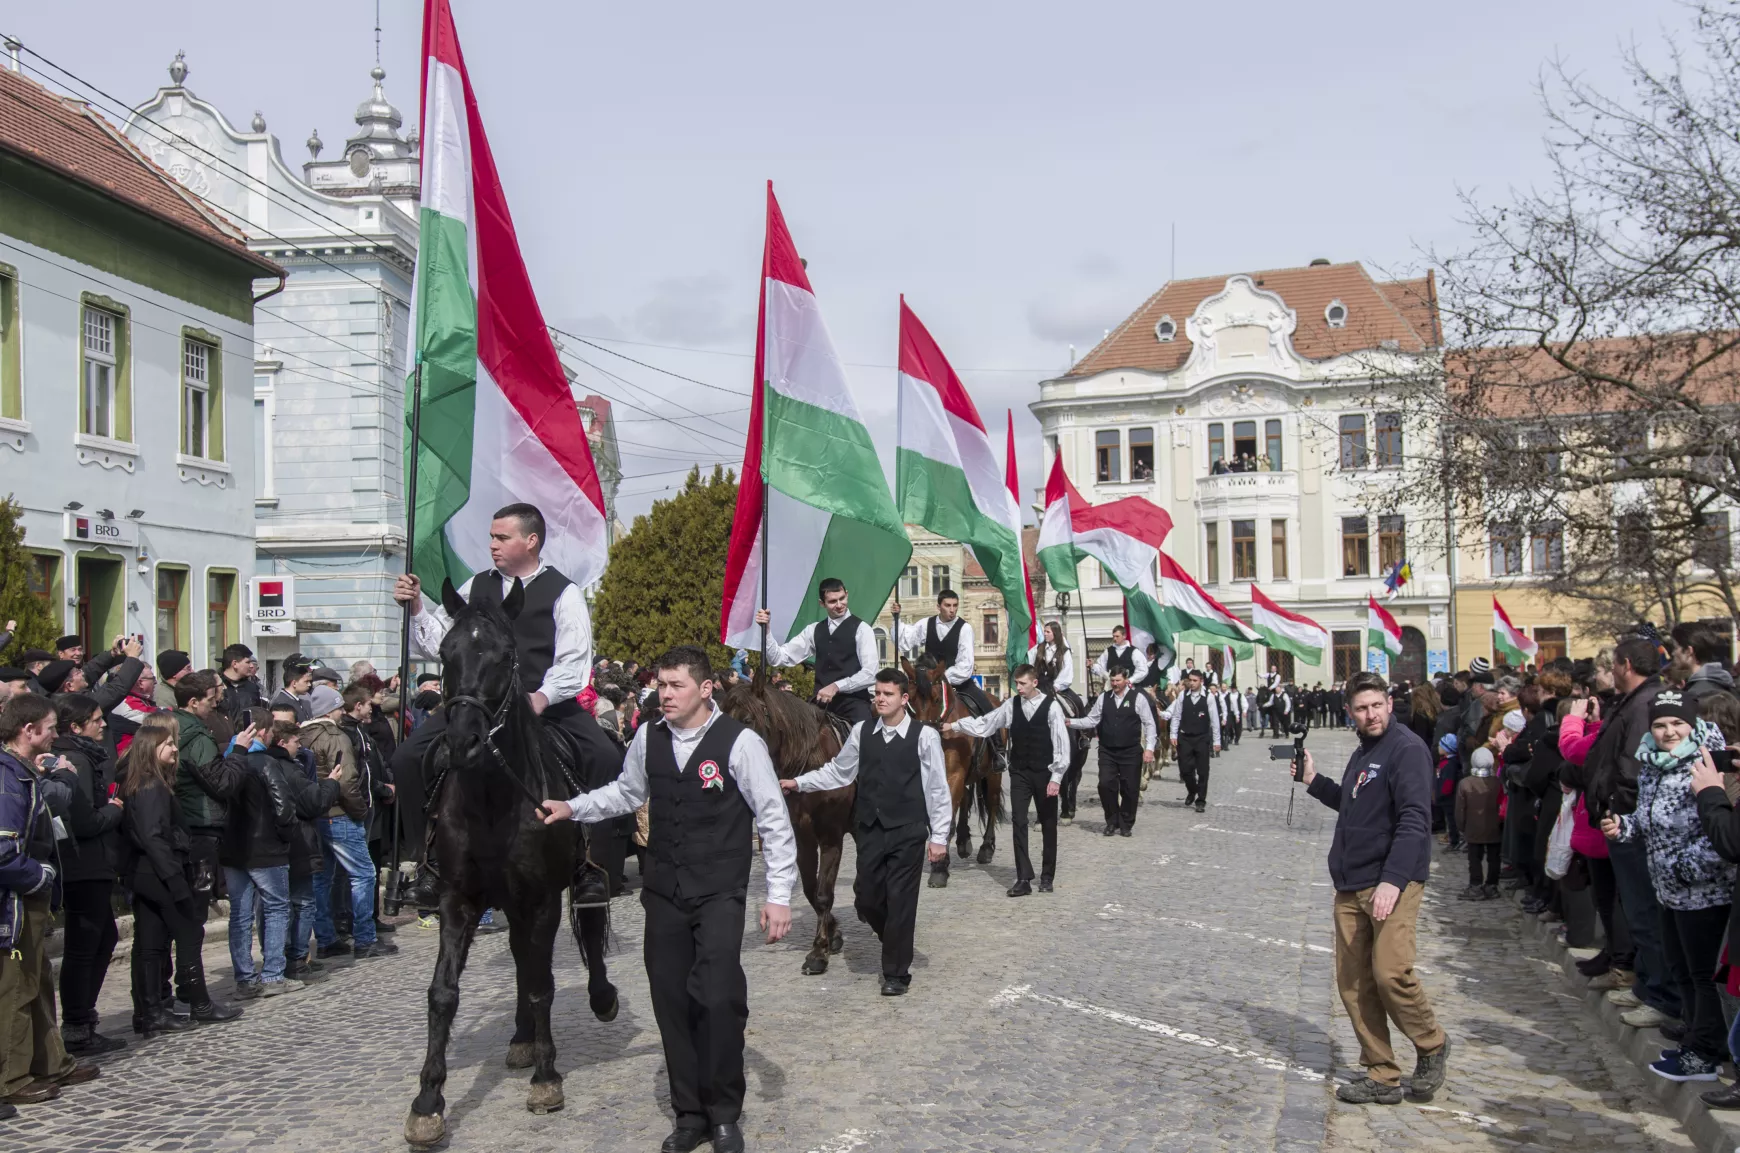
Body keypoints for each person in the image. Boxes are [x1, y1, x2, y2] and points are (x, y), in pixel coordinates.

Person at [539, 646, 794, 1153]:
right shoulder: (648, 738)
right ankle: (689, 1115)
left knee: (719, 998)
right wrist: (573, 806)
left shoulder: (740, 743)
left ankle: (724, 1112)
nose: (665, 694)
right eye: (661, 684)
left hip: (720, 890)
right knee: (671, 1001)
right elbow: (624, 793)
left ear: (705, 689)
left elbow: (773, 819)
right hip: (664, 892)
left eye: (676, 685)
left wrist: (780, 895)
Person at [392, 504, 619, 908]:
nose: (492, 544)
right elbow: (435, 643)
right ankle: (424, 863)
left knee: (602, 756)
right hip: (475, 702)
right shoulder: (475, 586)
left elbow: (575, 661)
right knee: (409, 757)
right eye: (492, 537)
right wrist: (415, 609)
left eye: (502, 537)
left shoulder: (563, 592)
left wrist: (541, 697)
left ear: (530, 541)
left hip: (543, 701)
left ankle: (590, 866)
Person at [1294, 671, 1449, 1106]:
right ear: (1350, 713)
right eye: (1362, 709)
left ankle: (1432, 1043)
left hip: (1391, 882)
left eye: (1376, 705)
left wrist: (1392, 881)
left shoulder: (1407, 750)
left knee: (1389, 972)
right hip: (1351, 881)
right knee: (1355, 983)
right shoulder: (1365, 751)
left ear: (1388, 703)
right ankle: (1381, 1072)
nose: (1371, 714)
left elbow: (1415, 820)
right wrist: (1313, 780)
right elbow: (1355, 802)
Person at [783, 668, 951, 993]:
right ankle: (896, 938)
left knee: (901, 901)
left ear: (904, 699)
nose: (880, 699)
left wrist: (939, 838)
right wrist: (800, 782)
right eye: (877, 693)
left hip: (908, 831)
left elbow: (938, 790)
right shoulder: (862, 732)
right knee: (868, 900)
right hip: (871, 829)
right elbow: (838, 772)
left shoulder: (924, 736)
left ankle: (896, 974)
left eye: (887, 694)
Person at [1602, 689, 1734, 1082]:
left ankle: (1707, 1053)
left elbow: (1719, 835)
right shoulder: (1653, 764)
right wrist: (1623, 826)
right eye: (1661, 724)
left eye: (1677, 723)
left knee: (1701, 976)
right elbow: (1648, 820)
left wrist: (1680, 867)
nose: (1669, 731)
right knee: (1680, 971)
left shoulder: (1708, 765)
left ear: (1692, 726)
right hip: (1668, 890)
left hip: (1705, 893)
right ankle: (1693, 1040)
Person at [0, 694, 102, 1110]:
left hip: (30, 897)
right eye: (51, 727)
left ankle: (50, 1062)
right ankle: (11, 1076)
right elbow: (3, 850)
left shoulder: (22, 772)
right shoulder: (7, 778)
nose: (56, 734)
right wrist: (38, 875)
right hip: (14, 899)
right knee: (15, 988)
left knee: (39, 982)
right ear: (29, 731)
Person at [1584, 636, 1678, 1029]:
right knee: (1636, 911)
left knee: (1645, 913)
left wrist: (1614, 806)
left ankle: (1661, 995)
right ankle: (1647, 986)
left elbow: (1632, 767)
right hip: (1623, 820)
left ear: (1624, 664)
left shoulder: (1644, 704)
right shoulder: (1632, 700)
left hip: (1631, 822)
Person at [222, 708, 324, 998]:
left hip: (233, 848)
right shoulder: (265, 763)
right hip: (265, 847)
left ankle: (244, 978)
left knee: (241, 915)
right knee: (276, 908)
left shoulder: (229, 759)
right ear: (264, 733)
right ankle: (272, 975)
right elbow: (284, 808)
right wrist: (285, 838)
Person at [47, 694, 127, 1054]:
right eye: (96, 719)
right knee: (85, 946)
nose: (103, 724)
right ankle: (77, 1024)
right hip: (81, 864)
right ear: (76, 726)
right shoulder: (75, 760)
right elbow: (83, 820)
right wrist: (114, 809)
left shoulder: (84, 756)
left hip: (92, 862)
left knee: (102, 939)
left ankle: (83, 1018)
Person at [946, 664, 1068, 895]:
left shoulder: (1051, 708)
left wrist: (1057, 777)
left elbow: (1062, 745)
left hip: (1045, 773)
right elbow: (986, 723)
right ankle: (1023, 878)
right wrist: (954, 725)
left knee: (1048, 824)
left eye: (1022, 684)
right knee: (1019, 822)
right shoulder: (1011, 706)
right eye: (1016, 684)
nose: (1018, 688)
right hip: (1020, 772)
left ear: (1034, 683)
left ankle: (1047, 875)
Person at [302, 685, 392, 960]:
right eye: (339, 707)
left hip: (317, 813)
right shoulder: (335, 736)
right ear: (329, 711)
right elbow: (348, 781)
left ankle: (327, 939)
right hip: (339, 813)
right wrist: (360, 811)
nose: (343, 711)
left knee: (322, 878)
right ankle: (365, 939)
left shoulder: (304, 735)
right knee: (364, 874)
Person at [756, 578, 879, 727]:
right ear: (822, 603)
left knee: (865, 742)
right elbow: (779, 658)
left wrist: (836, 686)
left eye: (842, 598)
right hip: (819, 705)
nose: (839, 605)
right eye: (833, 601)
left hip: (854, 704)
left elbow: (870, 673)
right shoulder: (813, 630)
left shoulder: (862, 629)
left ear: (846, 594)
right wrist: (767, 631)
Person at [1067, 666, 1158, 837]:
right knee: (1105, 784)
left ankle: (1126, 823)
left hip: (1131, 751)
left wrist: (1150, 749)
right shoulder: (1104, 698)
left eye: (1118, 680)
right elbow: (1091, 720)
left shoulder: (1138, 698)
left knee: (1130, 788)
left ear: (1126, 679)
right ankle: (1111, 820)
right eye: (1113, 680)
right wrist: (1071, 722)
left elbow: (1150, 724)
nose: (1115, 684)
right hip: (1107, 751)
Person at [891, 588, 991, 715]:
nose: (952, 610)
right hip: (927, 684)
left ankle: (996, 734)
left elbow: (966, 664)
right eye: (948, 605)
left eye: (955, 605)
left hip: (958, 683)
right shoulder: (926, 623)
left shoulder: (965, 629)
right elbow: (905, 641)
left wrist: (941, 677)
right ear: (939, 606)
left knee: (987, 707)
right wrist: (896, 618)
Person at [1169, 668, 1221, 813]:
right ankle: (1192, 790)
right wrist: (1173, 734)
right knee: (1185, 770)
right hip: (1185, 737)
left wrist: (1217, 742)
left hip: (1202, 738)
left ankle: (1201, 800)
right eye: (1190, 680)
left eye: (1195, 681)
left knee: (1203, 771)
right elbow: (1176, 716)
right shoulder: (1183, 696)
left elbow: (1215, 720)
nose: (1191, 683)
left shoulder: (1209, 697)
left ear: (1201, 681)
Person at [1455, 748, 1502, 900]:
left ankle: (1475, 886)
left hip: (1473, 828)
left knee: (1474, 859)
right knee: (1494, 858)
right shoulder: (1497, 783)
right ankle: (1491, 886)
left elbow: (1460, 809)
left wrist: (1461, 826)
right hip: (1495, 827)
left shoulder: (1465, 784)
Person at [217, 644, 267, 724]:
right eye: (248, 662)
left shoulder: (253, 688)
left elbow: (258, 716)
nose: (251, 666)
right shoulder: (217, 687)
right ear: (235, 664)